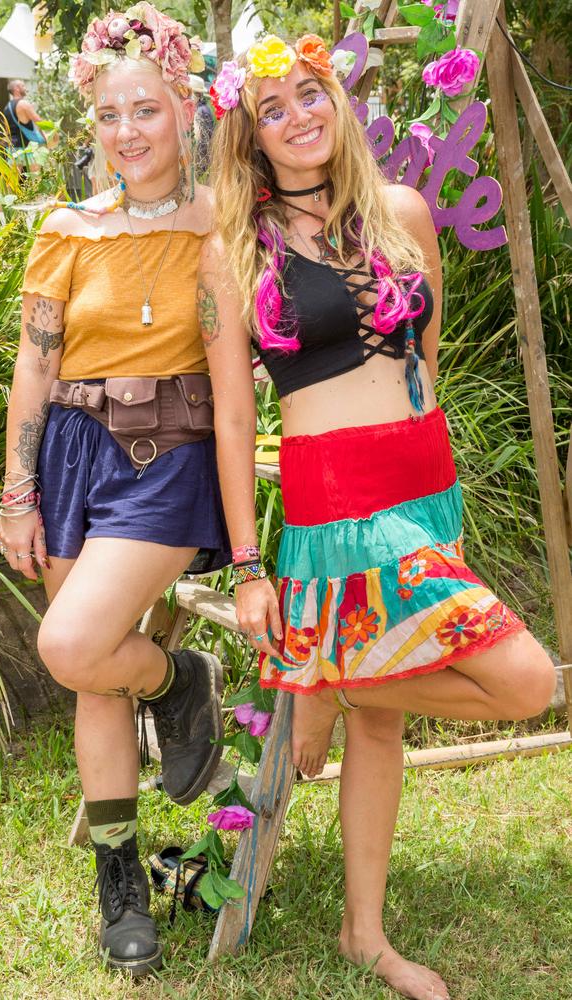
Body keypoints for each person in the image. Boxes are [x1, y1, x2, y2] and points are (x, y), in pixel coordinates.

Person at [199, 34, 556, 1000]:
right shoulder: (234, 249)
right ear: (250, 136)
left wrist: (443, 498)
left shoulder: (400, 212)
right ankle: (350, 679)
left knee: (384, 724)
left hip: (422, 484)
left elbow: (424, 364)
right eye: (272, 108)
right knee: (528, 681)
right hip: (338, 497)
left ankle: (365, 931)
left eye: (309, 94)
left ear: (336, 99)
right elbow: (235, 418)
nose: (298, 116)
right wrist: (247, 567)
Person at [0, 5, 229, 977]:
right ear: (90, 122)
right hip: (70, 457)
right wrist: (18, 490)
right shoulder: (65, 229)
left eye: (148, 109)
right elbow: (34, 365)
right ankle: (119, 882)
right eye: (110, 113)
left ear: (184, 113)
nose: (128, 130)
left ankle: (181, 681)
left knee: (74, 644)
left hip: (166, 458)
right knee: (92, 674)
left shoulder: (219, 222)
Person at [3, 79, 46, 166]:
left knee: (13, 178)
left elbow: (6, 130)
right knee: (35, 177)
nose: (26, 88)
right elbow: (39, 122)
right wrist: (46, 139)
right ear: (16, 89)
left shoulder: (7, 107)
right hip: (27, 147)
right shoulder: (23, 104)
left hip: (12, 148)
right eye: (23, 86)